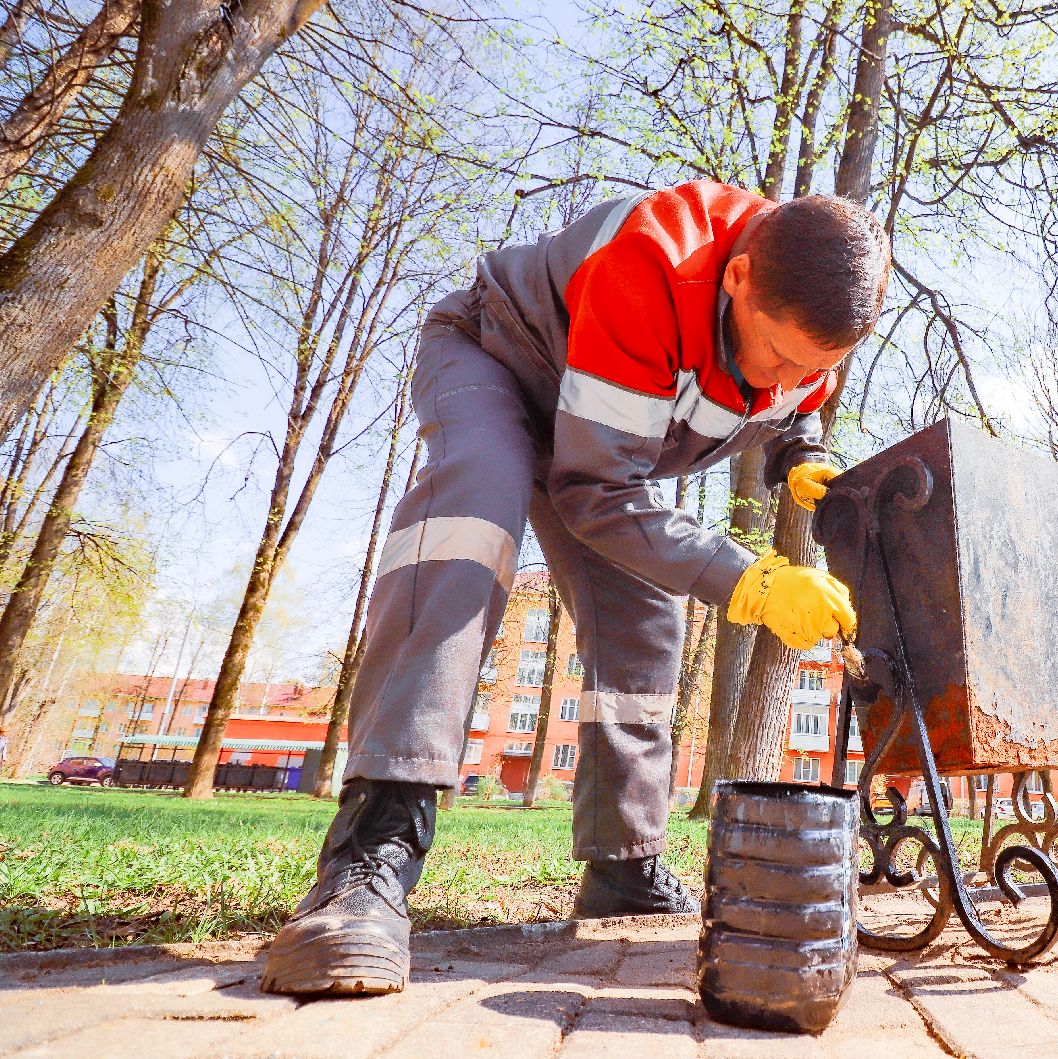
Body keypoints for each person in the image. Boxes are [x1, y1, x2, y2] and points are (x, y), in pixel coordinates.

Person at [260, 180, 889, 996]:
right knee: (471, 521)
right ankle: (366, 862)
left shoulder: (807, 313)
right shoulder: (653, 262)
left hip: (601, 437)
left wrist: (797, 455)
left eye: (817, 366)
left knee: (646, 610)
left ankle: (623, 869)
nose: (784, 377)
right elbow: (599, 494)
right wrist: (752, 580)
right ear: (736, 277)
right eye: (775, 354)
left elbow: (793, 404)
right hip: (503, 361)